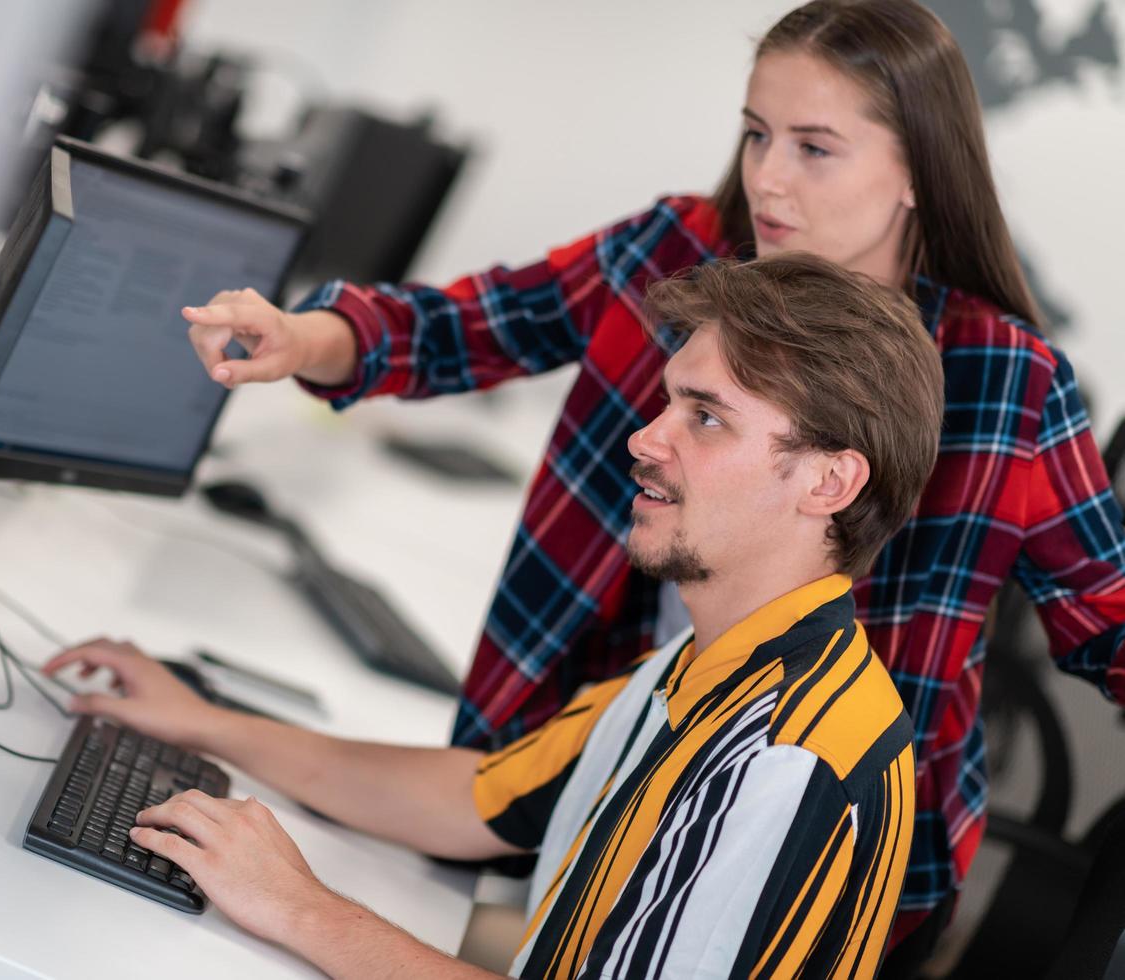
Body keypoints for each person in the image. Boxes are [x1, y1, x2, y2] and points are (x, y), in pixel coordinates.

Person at [178, 0, 1125, 966]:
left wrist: (299, 905)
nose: (768, 177)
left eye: (814, 147)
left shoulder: (1004, 381)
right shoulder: (682, 256)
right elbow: (473, 325)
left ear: (921, 168)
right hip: (620, 752)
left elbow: (1110, 616)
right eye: (756, 135)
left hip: (798, 833)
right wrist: (302, 339)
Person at [48, 254, 944, 979]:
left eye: (707, 418)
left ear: (829, 481)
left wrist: (297, 906)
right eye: (672, 398)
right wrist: (201, 722)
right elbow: (475, 800)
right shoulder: (706, 668)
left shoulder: (787, 763)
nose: (645, 436)